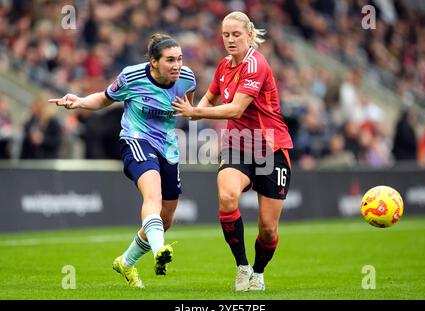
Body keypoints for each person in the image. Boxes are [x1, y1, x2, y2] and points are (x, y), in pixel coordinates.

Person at [49, 33, 196, 288]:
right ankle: (159, 250)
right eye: (170, 60)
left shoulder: (187, 79)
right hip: (136, 141)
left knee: (166, 218)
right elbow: (105, 98)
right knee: (153, 196)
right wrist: (80, 101)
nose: (177, 65)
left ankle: (126, 262)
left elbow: (189, 110)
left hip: (168, 148)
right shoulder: (132, 76)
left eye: (180, 59)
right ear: (153, 62)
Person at [172, 11, 293, 291]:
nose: (229, 39)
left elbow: (237, 108)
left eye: (236, 34)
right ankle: (242, 267)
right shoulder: (224, 66)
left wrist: (197, 111)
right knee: (227, 197)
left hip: (271, 148)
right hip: (237, 145)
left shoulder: (256, 64)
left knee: (268, 228)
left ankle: (258, 272)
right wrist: (193, 111)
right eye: (225, 34)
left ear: (249, 35)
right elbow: (210, 96)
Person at [20, 94, 63, 159]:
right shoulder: (32, 119)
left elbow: (57, 140)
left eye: (37, 105)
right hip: (31, 157)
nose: (34, 107)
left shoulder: (52, 121)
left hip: (47, 158)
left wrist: (43, 140)